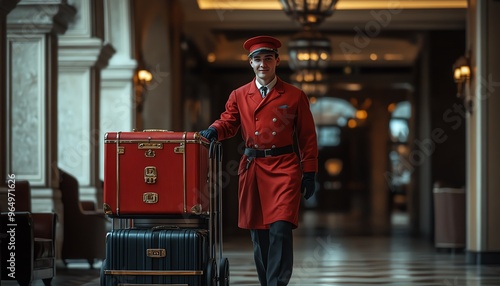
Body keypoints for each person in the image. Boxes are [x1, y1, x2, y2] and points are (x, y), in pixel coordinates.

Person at [199, 35, 318, 286]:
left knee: (281, 229)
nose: (263, 64)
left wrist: (309, 172)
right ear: (250, 64)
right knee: (260, 235)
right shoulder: (239, 94)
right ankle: (267, 282)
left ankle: (277, 283)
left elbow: (307, 137)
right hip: (253, 168)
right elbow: (228, 122)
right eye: (257, 60)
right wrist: (213, 130)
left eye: (267, 59)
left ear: (277, 61)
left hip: (284, 167)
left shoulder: (295, 95)